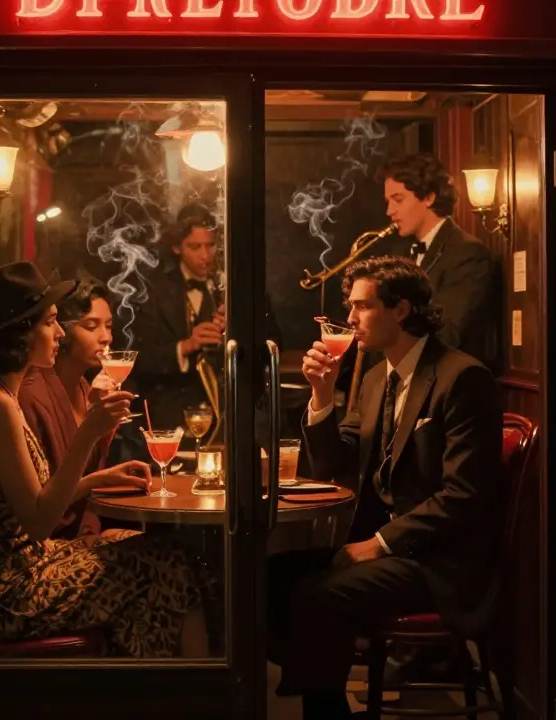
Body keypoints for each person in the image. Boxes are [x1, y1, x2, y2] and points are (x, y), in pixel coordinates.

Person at [267, 256, 504, 719]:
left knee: (319, 596)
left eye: (363, 306)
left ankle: (324, 709)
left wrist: (377, 544)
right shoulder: (378, 378)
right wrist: (321, 395)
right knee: (272, 575)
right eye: (350, 307)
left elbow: (463, 495)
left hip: (440, 560)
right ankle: (317, 684)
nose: (351, 318)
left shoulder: (461, 376)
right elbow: (334, 463)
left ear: (401, 310)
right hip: (394, 549)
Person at [0, 262, 208, 657]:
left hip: (25, 565)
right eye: (50, 322)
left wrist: (99, 478)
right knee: (168, 561)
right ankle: (181, 687)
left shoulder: (2, 395)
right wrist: (88, 434)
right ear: (21, 332)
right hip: (2, 590)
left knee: (162, 552)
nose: (60, 333)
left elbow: (33, 498)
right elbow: (38, 522)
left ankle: (147, 683)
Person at [131, 202, 283, 436]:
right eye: (195, 247)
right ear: (177, 247)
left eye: (211, 245)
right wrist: (185, 346)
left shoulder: (245, 286)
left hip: (237, 415)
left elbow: (275, 345)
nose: (205, 255)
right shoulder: (153, 292)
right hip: (175, 417)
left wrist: (241, 332)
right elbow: (139, 360)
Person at [18, 275, 132, 541]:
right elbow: (41, 503)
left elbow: (91, 469)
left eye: (109, 326)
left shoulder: (85, 387)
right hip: (48, 542)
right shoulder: (32, 394)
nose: (106, 338)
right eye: (91, 326)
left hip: (83, 533)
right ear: (63, 331)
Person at [379, 153, 503, 375]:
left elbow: (448, 332)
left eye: (398, 200)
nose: (390, 211)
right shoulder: (400, 253)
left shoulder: (468, 253)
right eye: (388, 202)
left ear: (429, 197)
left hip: (446, 381)